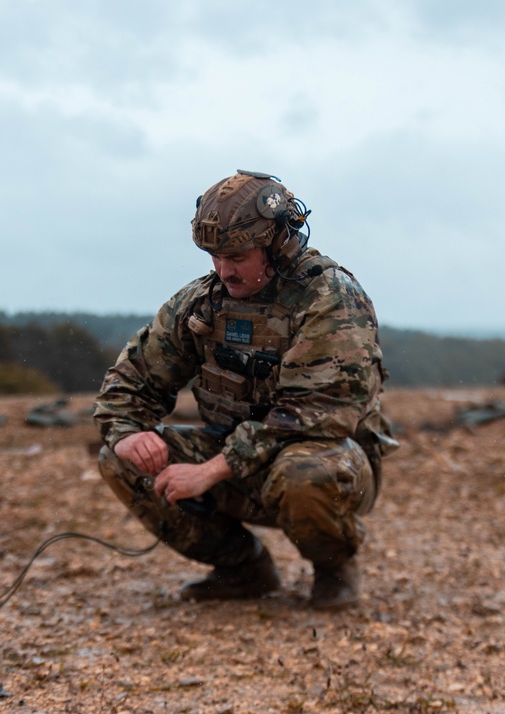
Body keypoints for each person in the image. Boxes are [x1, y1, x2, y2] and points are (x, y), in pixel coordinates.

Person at [93, 170, 398, 609]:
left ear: (276, 243)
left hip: (324, 460)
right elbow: (130, 381)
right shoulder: (202, 303)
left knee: (304, 475)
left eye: (236, 255)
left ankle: (334, 567)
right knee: (120, 460)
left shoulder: (330, 298)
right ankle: (243, 568)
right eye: (215, 256)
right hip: (233, 455)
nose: (223, 270)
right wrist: (128, 433)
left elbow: (312, 414)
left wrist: (210, 471)